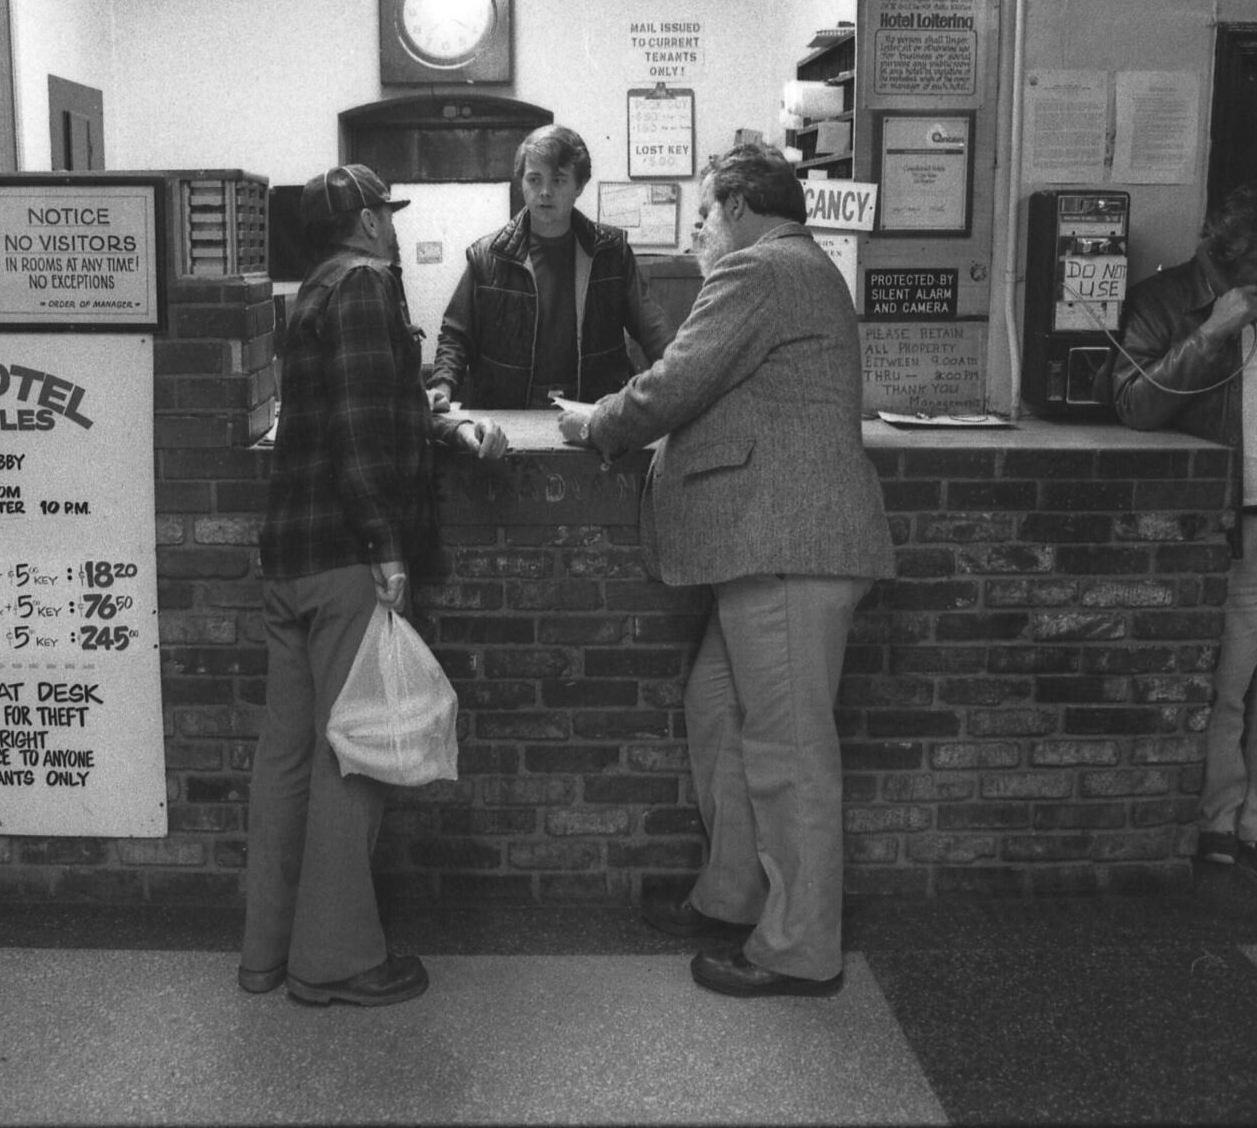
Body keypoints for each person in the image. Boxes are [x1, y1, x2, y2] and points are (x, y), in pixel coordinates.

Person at [557, 142, 893, 997]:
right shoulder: (796, 268)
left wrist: (593, 421)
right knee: (718, 710)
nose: (700, 231)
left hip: (787, 545)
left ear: (740, 206)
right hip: (769, 548)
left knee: (787, 749)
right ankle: (736, 892)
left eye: (705, 213)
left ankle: (799, 947)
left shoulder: (759, 270)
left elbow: (675, 380)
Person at [242, 163, 507, 1008]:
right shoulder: (363, 285)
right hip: (344, 559)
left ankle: (268, 952)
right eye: (385, 213)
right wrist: (386, 547)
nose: (392, 228)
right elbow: (361, 429)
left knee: (285, 756)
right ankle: (336, 960)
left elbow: (360, 405)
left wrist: (439, 419)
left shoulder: (313, 292)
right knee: (353, 757)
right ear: (361, 221)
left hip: (289, 558)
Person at [1107, 180, 1257, 884]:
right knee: (1228, 685)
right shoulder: (1165, 300)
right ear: (1222, 249)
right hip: (1236, 520)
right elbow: (1135, 403)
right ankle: (1217, 819)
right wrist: (1213, 329)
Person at [428, 124, 675, 410]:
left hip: (594, 410)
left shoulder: (611, 252)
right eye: (534, 179)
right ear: (521, 182)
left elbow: (651, 327)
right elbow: (456, 335)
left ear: (579, 186)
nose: (544, 192)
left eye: (558, 181)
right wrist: (442, 386)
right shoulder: (487, 257)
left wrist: (681, 378)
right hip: (510, 411)